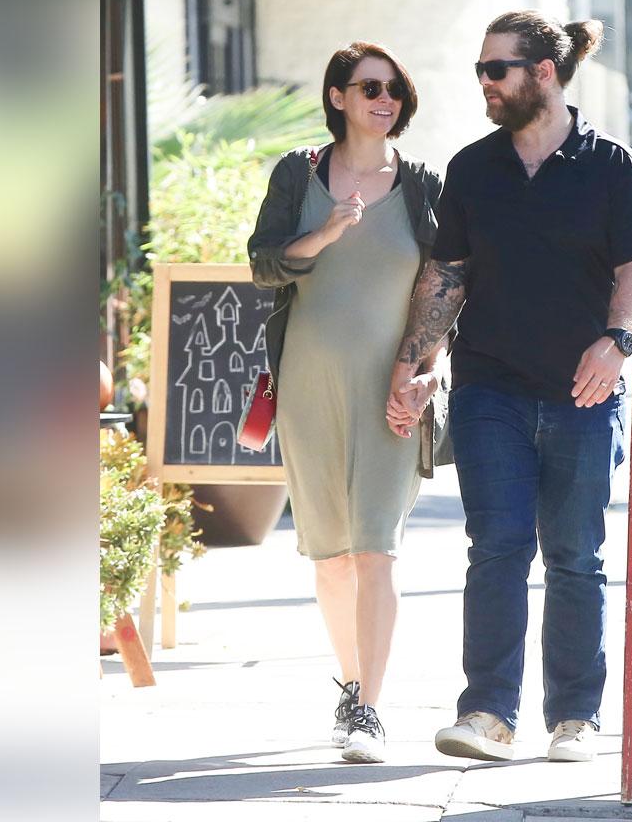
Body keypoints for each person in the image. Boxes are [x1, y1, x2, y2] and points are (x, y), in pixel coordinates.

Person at [386, 11, 632, 763]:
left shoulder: (614, 166)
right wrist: (417, 365)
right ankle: (486, 715)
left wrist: (619, 342)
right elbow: (447, 277)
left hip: (582, 393)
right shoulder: (474, 168)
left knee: (575, 555)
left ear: (543, 73)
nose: (485, 82)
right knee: (497, 548)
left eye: (496, 69)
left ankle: (575, 717)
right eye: (481, 70)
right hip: (490, 392)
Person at [249, 42, 447, 764]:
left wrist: (426, 374)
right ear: (337, 96)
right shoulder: (298, 173)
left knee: (376, 547)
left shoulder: (423, 184)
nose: (383, 98)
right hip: (308, 384)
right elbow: (263, 263)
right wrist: (326, 230)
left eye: (393, 87)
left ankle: (369, 708)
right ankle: (352, 686)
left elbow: (447, 289)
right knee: (331, 555)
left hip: (391, 387)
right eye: (368, 86)